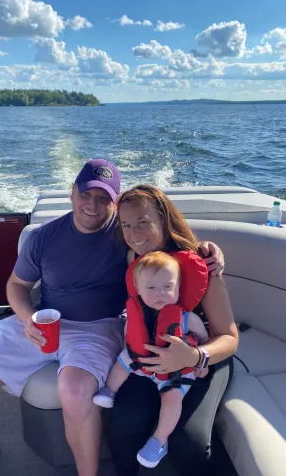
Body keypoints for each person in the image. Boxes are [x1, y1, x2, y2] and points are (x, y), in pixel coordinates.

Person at [0, 159, 225, 476]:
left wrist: (206, 248)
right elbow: (17, 286)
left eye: (103, 198)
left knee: (74, 391)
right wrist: (28, 316)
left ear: (114, 204)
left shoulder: (126, 234)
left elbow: (162, 237)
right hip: (45, 320)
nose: (92, 205)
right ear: (72, 193)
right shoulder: (43, 238)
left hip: (99, 326)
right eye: (86, 194)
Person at [106, 184, 238, 476]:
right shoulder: (134, 259)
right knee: (123, 425)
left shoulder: (202, 264)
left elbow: (229, 339)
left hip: (204, 360)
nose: (134, 234)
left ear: (164, 220)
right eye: (126, 225)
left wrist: (193, 356)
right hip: (148, 360)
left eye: (143, 222)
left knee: (187, 443)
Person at [93, 251, 210, 468]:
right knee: (123, 359)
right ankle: (109, 390)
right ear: (138, 289)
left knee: (173, 398)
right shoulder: (134, 316)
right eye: (151, 288)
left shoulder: (188, 319)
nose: (160, 294)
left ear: (178, 287)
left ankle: (159, 441)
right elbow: (128, 342)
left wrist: (200, 363)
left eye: (168, 287)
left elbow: (203, 339)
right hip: (144, 365)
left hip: (175, 372)